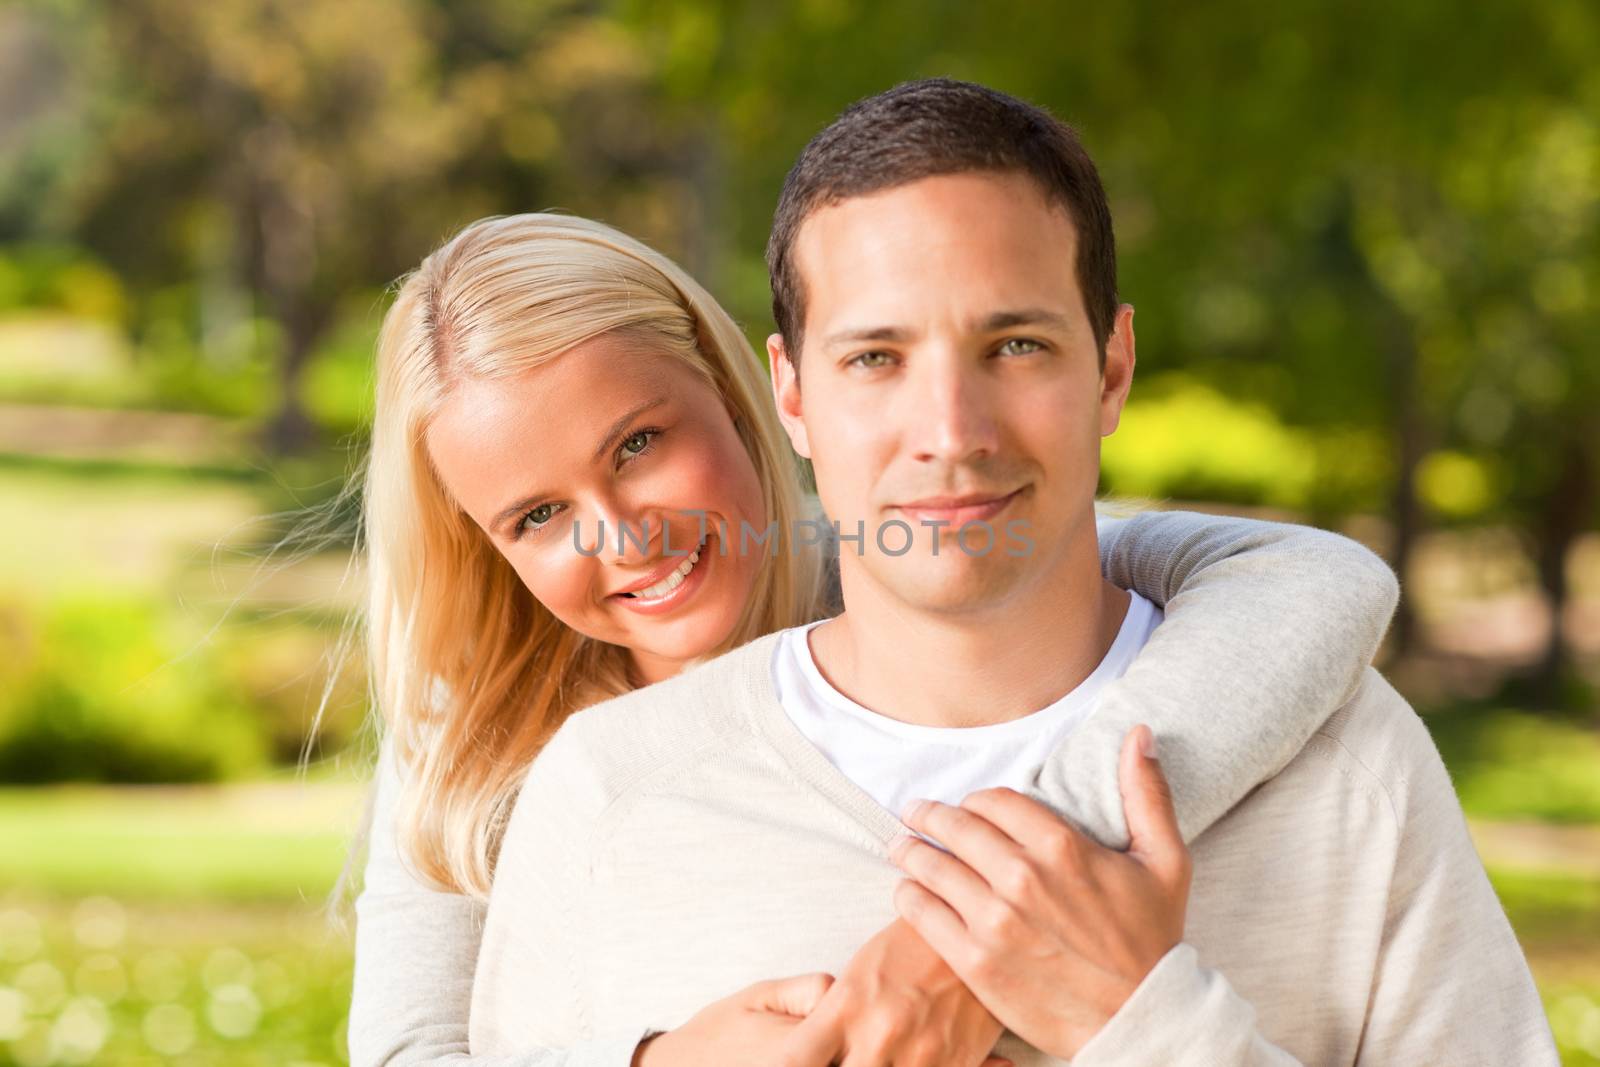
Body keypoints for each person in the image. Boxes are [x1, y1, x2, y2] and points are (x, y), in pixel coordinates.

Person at [468, 79, 1558, 1065]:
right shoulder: (612, 791)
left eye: (1016, 346)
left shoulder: (1348, 766)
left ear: (1112, 368)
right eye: (874, 359)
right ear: (792, 396)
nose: (950, 430)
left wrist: (1145, 1023)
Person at [347, 208, 1400, 1065]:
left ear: (745, 383)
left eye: (637, 444)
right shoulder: (476, 725)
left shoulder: (907, 562)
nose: (622, 536)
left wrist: (966, 926)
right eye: (536, 515)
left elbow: (1311, 578)